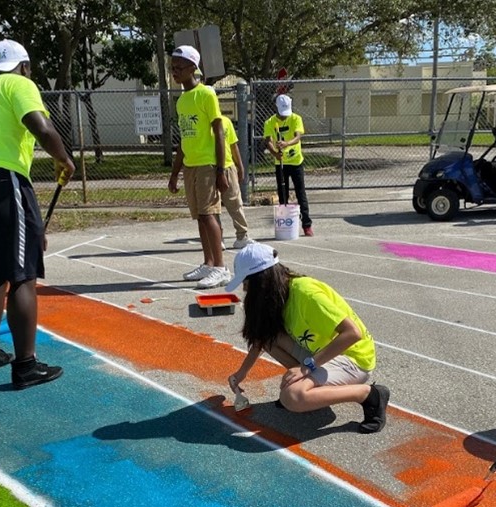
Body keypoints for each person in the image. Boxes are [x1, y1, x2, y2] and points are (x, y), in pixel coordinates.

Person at [0, 39, 75, 390]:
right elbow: (41, 126)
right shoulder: (19, 84)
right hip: (2, 180)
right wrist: (63, 159)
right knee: (22, 275)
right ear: (24, 66)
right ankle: (26, 366)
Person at [226, 243, 389, 433]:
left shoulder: (306, 294)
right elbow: (261, 338)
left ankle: (369, 395)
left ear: (262, 279)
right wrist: (241, 374)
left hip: (353, 358)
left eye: (246, 282)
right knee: (270, 336)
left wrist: (306, 367)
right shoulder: (278, 293)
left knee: (292, 397)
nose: (245, 289)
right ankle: (310, 390)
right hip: (322, 353)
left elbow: (352, 334)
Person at [167, 46, 233, 289]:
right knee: (199, 217)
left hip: (207, 164)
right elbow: (184, 139)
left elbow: (218, 132)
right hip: (190, 165)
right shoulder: (182, 100)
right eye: (172, 67)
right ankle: (208, 262)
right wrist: (175, 173)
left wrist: (220, 170)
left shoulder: (206, 94)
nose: (175, 72)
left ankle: (220, 268)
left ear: (193, 68)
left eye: (179, 67)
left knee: (209, 214)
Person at [263, 94, 313, 236]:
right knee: (282, 193)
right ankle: (286, 223)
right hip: (281, 163)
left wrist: (286, 143)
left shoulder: (296, 118)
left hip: (296, 161)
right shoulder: (270, 122)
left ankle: (307, 224)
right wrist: (274, 153)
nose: (285, 116)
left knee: (300, 193)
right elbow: (268, 140)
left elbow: (298, 137)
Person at [219, 114, 252, 249]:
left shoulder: (226, 121)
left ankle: (242, 235)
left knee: (235, 202)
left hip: (228, 166)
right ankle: (217, 238)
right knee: (213, 207)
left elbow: (233, 145)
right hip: (209, 167)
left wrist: (240, 166)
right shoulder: (203, 122)